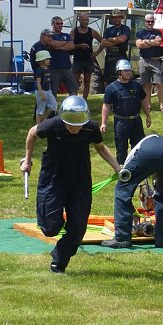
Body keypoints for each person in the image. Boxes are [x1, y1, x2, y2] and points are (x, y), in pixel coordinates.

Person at [21, 96, 121, 273]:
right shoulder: (53, 125)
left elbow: (100, 147)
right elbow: (32, 133)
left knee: (78, 228)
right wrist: (27, 160)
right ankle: (50, 220)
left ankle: (58, 262)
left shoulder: (90, 127)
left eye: (79, 124)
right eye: (71, 125)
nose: (75, 128)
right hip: (53, 178)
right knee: (50, 228)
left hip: (79, 180)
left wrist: (116, 167)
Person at [101, 134, 163, 249]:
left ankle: (122, 238)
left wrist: (131, 214)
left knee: (122, 189)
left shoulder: (139, 152)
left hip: (150, 153)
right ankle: (162, 239)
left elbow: (126, 184)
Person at [101, 59, 151, 164]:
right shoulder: (112, 88)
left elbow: (143, 100)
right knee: (121, 146)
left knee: (138, 146)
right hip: (121, 122)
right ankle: (122, 169)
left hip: (136, 120)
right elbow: (106, 105)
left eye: (130, 70)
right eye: (125, 70)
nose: (128, 72)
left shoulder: (136, 86)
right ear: (119, 73)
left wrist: (148, 116)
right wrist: (103, 123)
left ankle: (138, 166)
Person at [135, 13, 163, 113]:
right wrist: (151, 42)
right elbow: (138, 45)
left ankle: (162, 106)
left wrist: (145, 41)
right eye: (148, 21)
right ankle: (148, 106)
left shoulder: (158, 32)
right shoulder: (139, 32)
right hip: (143, 61)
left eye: (152, 21)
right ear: (145, 22)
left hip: (155, 61)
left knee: (159, 83)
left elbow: (158, 42)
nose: (150, 23)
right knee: (146, 84)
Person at [95, 8, 132, 89]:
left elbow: (123, 39)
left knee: (123, 77)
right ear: (111, 19)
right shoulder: (108, 30)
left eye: (118, 17)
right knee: (108, 80)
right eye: (114, 17)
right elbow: (103, 43)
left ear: (121, 18)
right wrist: (116, 40)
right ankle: (108, 96)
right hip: (109, 57)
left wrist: (110, 40)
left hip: (121, 56)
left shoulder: (125, 28)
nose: (116, 19)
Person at [71, 12, 102, 99]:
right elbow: (69, 45)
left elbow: (103, 42)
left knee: (87, 82)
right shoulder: (74, 32)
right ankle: (75, 99)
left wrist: (97, 53)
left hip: (88, 60)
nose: (85, 22)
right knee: (75, 82)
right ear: (79, 20)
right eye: (83, 20)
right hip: (77, 59)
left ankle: (84, 100)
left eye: (87, 20)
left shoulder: (92, 31)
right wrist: (79, 46)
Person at [46, 15, 78, 96]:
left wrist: (58, 46)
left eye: (61, 23)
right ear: (52, 24)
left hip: (66, 67)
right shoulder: (49, 35)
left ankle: (73, 106)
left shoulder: (66, 35)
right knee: (53, 90)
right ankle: (53, 108)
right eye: (57, 23)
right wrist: (64, 42)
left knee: (73, 89)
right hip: (54, 68)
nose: (60, 25)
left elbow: (71, 46)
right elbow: (52, 44)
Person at [33, 50, 57, 124]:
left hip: (48, 91)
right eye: (47, 59)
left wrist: (49, 90)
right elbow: (38, 83)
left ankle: (44, 121)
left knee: (53, 106)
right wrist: (41, 93)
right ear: (42, 61)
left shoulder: (48, 69)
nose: (49, 60)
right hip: (41, 91)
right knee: (40, 110)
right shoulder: (39, 70)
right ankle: (38, 126)